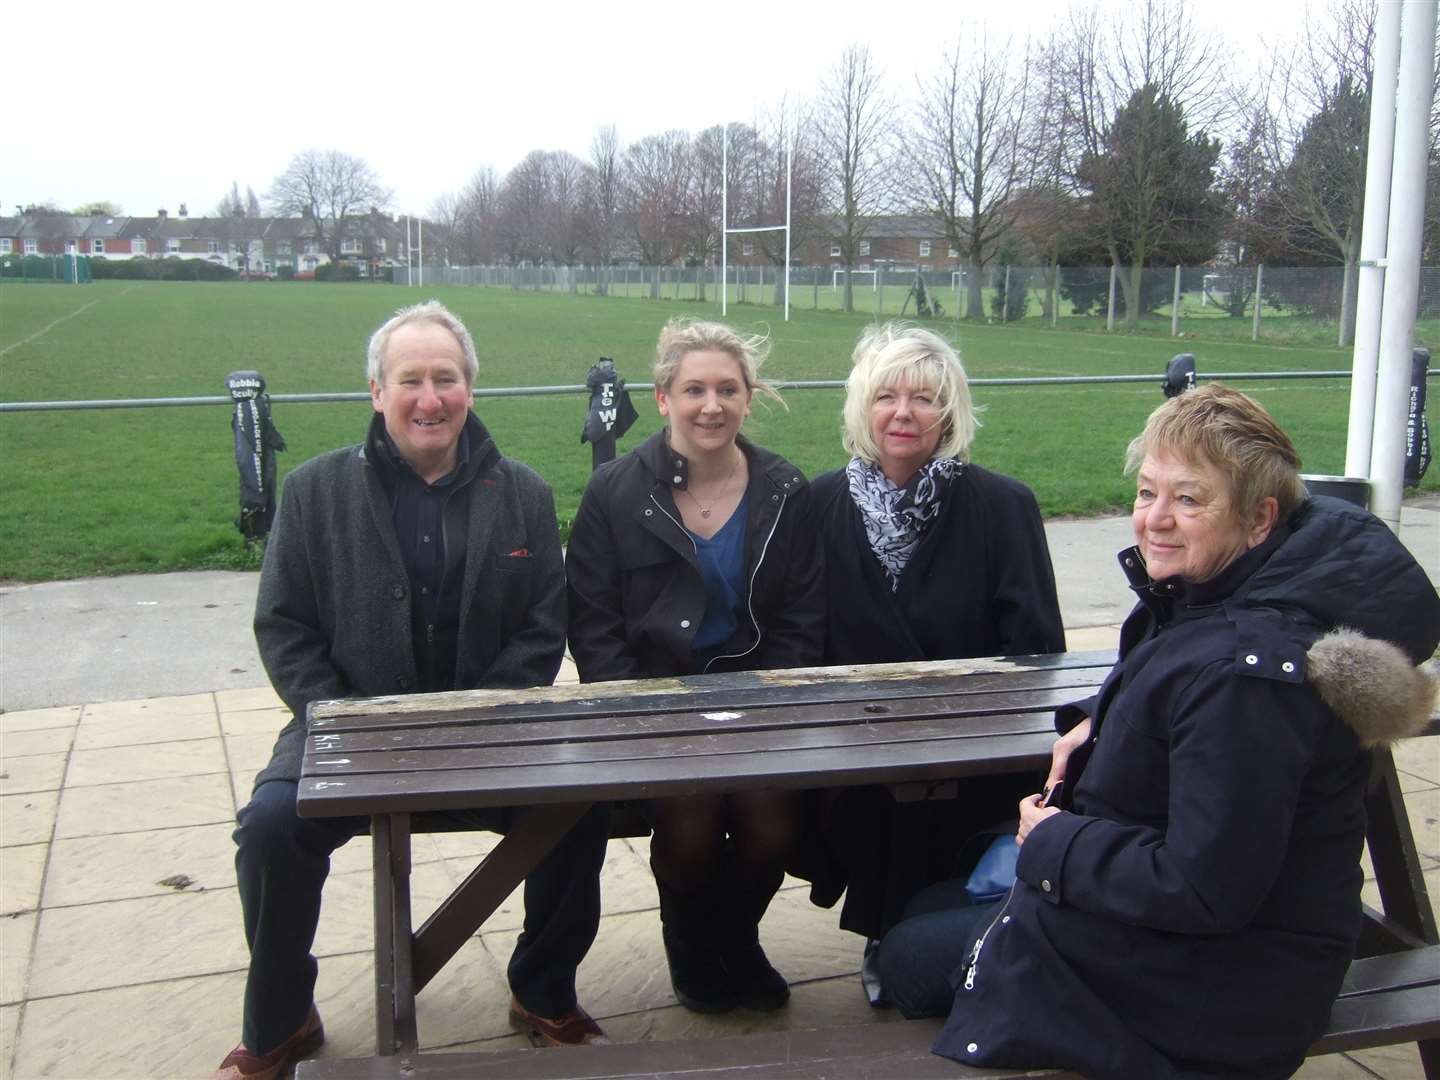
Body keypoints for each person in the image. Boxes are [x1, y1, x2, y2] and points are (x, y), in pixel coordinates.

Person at [877, 384, 1440, 1080]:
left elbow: (1204, 888)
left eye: (1190, 499)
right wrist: (1094, 720)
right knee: (927, 902)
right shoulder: (1250, 588)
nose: (1155, 520)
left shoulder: (1248, 675)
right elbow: (1183, 684)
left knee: (902, 954)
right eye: (1147, 493)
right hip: (1230, 935)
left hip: (1225, 986)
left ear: (1259, 519)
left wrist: (1053, 842)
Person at [214, 301, 610, 1080]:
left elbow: (542, 624)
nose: (429, 398)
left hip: (489, 729)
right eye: (410, 380)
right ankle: (281, 1017)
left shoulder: (524, 492)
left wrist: (478, 717)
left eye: (446, 378)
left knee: (581, 802)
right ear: (375, 391)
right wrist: (340, 720)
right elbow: (284, 626)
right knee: (268, 827)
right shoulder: (313, 491)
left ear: (470, 387)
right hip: (343, 729)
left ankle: (542, 989)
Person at [565, 317, 825, 1015]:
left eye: (728, 389)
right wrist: (634, 713)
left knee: (773, 817)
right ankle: (691, 943)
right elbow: (593, 625)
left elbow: (803, 618)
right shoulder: (616, 492)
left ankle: (735, 940)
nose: (711, 405)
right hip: (657, 704)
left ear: (749, 397)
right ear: (662, 398)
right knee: (691, 815)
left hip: (758, 698)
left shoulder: (784, 490)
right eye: (694, 389)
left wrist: (773, 703)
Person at [803, 323, 1065, 993]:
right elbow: (803, 636)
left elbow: (1036, 646)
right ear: (863, 407)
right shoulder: (820, 504)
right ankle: (891, 931)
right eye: (886, 395)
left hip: (972, 736)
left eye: (924, 398)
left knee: (940, 789)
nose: (903, 413)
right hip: (856, 740)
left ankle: (935, 936)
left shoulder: (1002, 507)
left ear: (949, 411)